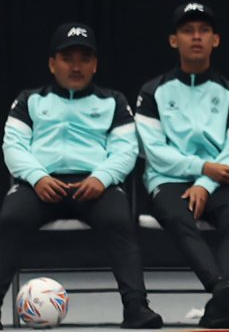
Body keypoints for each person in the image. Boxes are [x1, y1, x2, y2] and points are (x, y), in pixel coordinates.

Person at [1, 23, 163, 328]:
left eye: (84, 58)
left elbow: (125, 150)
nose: (76, 66)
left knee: (119, 220)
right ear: (52, 63)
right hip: (40, 185)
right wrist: (37, 177)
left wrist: (101, 177)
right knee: (10, 219)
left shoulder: (114, 101)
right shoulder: (29, 100)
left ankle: (136, 308)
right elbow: (13, 146)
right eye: (67, 58)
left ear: (95, 64)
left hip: (94, 186)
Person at [134, 3, 229, 327]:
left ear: (215, 40)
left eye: (203, 31)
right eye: (188, 31)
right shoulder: (152, 91)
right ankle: (222, 290)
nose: (196, 37)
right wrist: (201, 168)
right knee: (176, 212)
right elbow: (154, 152)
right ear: (174, 41)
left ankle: (221, 303)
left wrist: (205, 182)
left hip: (217, 180)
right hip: (167, 179)